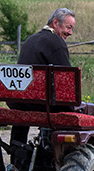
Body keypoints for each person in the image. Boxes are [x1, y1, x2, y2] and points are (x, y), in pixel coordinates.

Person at [8, 8, 76, 146]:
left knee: (23, 107)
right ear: (55, 22)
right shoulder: (56, 43)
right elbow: (67, 80)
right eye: (68, 27)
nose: (70, 33)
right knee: (73, 110)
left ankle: (16, 154)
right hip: (41, 104)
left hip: (19, 101)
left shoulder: (30, 40)